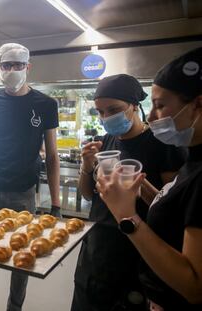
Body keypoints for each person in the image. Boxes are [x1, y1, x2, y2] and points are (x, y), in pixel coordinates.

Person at [96, 47, 202, 310]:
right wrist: (141, 187)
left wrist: (126, 216)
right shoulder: (194, 161)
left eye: (160, 105)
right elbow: (176, 216)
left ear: (198, 104)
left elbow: (194, 286)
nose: (153, 117)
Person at [71, 74, 186, 311]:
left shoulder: (162, 144)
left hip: (137, 252)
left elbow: (173, 210)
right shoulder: (106, 142)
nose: (106, 118)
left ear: (134, 105)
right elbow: (89, 196)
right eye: (100, 112)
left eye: (113, 109)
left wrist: (137, 186)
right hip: (97, 248)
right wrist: (86, 167)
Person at [0, 43, 61, 311]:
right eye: (7, 65)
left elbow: (52, 157)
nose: (12, 70)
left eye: (18, 65)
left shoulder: (45, 104)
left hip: (23, 193)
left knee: (22, 260)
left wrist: (56, 204)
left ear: (28, 67)